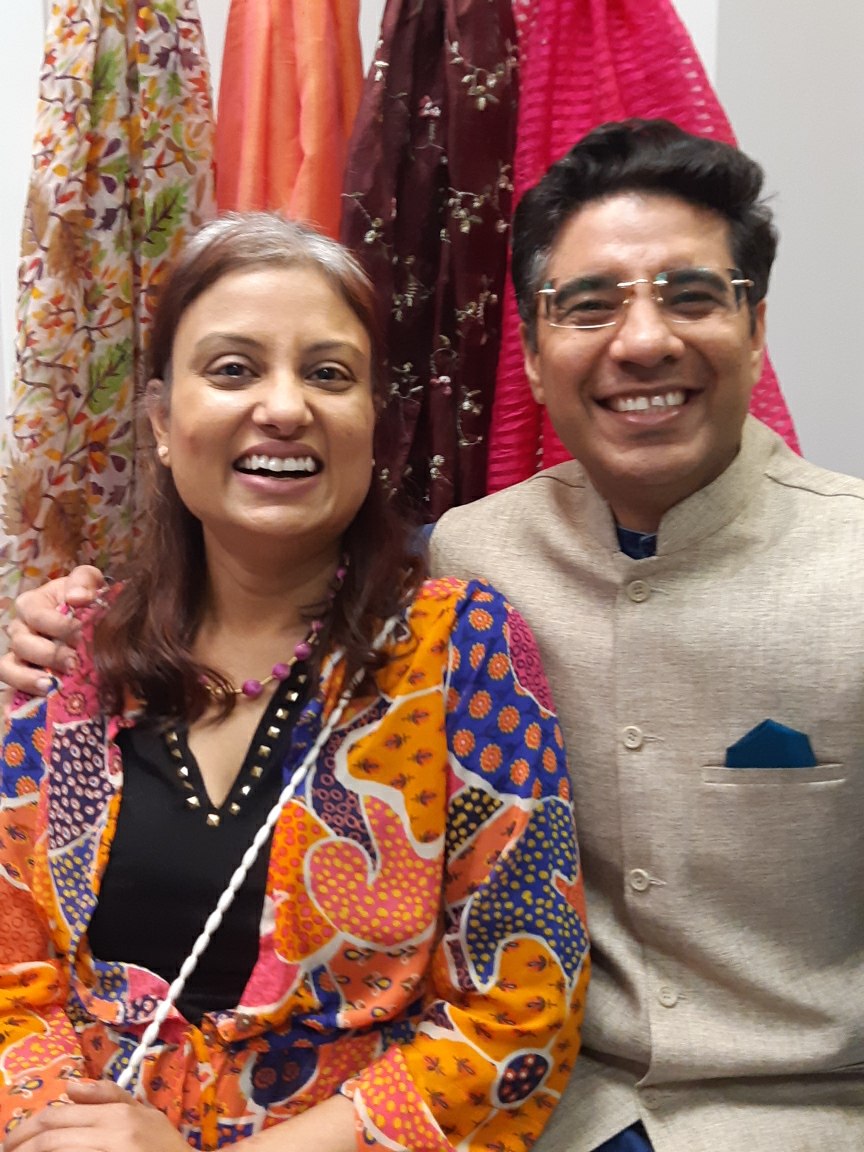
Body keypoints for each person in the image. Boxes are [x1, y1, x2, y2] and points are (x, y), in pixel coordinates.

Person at [8, 119, 864, 1151]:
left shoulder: (457, 634)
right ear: (534, 356)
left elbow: (509, 1015)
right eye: (591, 305)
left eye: (690, 296)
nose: (643, 341)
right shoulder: (472, 550)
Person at [0, 214, 588, 1151]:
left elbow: (516, 1015)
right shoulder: (73, 657)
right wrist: (54, 1127)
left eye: (328, 373)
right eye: (234, 369)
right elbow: (11, 979)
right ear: (161, 423)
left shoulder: (459, 651)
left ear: (374, 422)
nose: (283, 408)